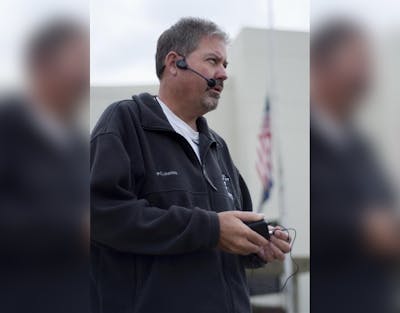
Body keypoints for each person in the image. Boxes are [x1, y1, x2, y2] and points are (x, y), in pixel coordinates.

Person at [90, 17, 290, 313]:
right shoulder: (124, 122)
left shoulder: (217, 147)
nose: (223, 74)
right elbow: (100, 215)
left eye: (226, 65)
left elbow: (230, 233)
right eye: (213, 61)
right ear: (174, 63)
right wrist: (210, 229)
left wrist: (256, 246)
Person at [310, 19, 400, 313]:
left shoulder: (363, 148)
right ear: (321, 66)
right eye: (357, 60)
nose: (366, 73)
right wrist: (360, 230)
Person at [0, 19, 89, 313]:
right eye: (79, 60)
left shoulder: (77, 144)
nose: (85, 74)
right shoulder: (7, 126)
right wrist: (71, 229)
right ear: (41, 63)